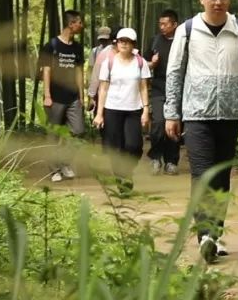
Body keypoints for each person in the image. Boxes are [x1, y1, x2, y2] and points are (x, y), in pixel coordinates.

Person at [164, 0, 238, 264]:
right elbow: (174, 72)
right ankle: (205, 235)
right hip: (196, 114)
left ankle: (215, 232)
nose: (218, 2)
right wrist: (171, 113)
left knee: (221, 175)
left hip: (229, 114)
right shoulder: (187, 30)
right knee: (202, 174)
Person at [93, 27, 152, 196]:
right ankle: (121, 178)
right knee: (116, 148)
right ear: (116, 43)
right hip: (112, 109)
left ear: (133, 44)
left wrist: (146, 110)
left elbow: (143, 87)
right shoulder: (109, 62)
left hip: (133, 109)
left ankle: (127, 170)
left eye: (127, 41)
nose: (124, 44)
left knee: (134, 146)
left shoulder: (140, 62)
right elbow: (103, 89)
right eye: (121, 41)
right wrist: (99, 114)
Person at [39, 10, 87, 182]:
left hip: (73, 97)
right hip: (55, 97)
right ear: (71, 24)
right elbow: (46, 71)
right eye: (79, 22)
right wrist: (47, 95)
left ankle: (65, 162)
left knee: (79, 132)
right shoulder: (51, 45)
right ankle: (54, 171)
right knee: (53, 135)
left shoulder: (77, 47)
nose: (82, 25)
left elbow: (79, 71)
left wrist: (82, 95)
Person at [146, 10, 181, 175]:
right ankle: (155, 157)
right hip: (159, 87)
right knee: (159, 123)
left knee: (174, 125)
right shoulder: (154, 41)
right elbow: (142, 64)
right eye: (160, 24)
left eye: (165, 24)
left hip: (178, 88)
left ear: (175, 24)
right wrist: (152, 64)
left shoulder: (183, 41)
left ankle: (171, 161)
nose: (161, 27)